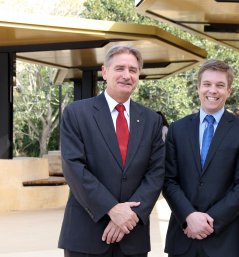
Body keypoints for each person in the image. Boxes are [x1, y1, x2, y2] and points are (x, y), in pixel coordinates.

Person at [58, 45, 165, 257]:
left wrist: (129, 215)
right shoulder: (77, 113)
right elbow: (73, 168)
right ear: (105, 72)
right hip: (86, 234)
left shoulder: (152, 120)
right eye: (120, 68)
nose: (127, 75)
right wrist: (112, 209)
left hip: (132, 235)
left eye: (133, 70)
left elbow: (156, 172)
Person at [163, 59, 239, 257]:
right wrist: (189, 216)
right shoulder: (177, 129)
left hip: (225, 240)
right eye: (207, 84)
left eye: (220, 85)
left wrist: (209, 221)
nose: (212, 90)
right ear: (198, 87)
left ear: (229, 90)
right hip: (183, 237)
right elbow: (168, 180)